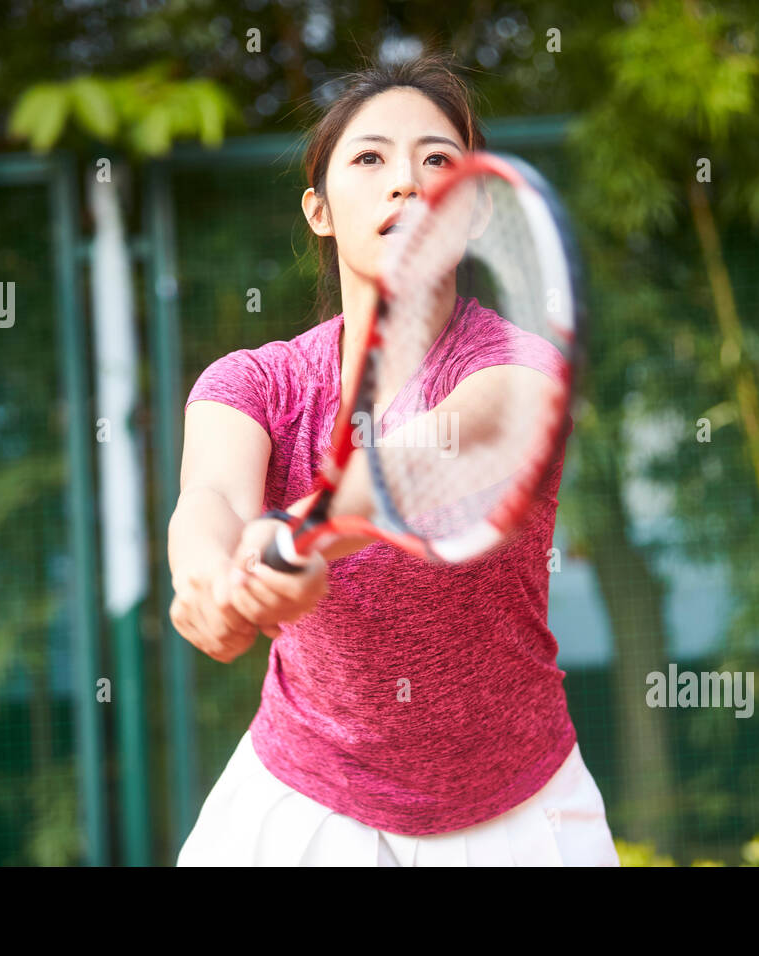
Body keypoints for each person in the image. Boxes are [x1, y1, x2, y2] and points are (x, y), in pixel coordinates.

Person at [169, 53, 619, 866]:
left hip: (518, 806)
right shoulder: (255, 381)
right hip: (299, 795)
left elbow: (419, 470)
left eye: (438, 161)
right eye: (370, 158)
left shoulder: (520, 370)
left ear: (474, 212)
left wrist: (300, 534)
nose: (408, 184)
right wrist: (211, 580)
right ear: (319, 210)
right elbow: (208, 497)